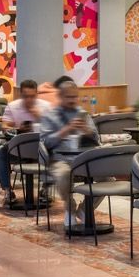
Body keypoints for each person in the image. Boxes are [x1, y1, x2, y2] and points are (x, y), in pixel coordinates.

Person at [40, 81, 101, 227]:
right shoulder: (50, 116)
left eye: (75, 96)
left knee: (108, 178)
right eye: (69, 97)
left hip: (84, 159)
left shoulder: (82, 114)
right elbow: (45, 142)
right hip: (60, 159)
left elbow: (96, 139)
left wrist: (87, 131)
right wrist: (65, 130)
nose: (73, 100)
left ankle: (85, 209)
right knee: (63, 175)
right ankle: (70, 208)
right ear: (60, 97)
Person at [0, 79, 51, 206]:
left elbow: (55, 128)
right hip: (18, 149)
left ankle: (46, 188)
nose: (29, 100)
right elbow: (5, 126)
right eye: (26, 96)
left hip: (41, 150)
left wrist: (40, 117)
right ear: (21, 95)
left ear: (37, 94)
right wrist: (18, 129)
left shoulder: (46, 107)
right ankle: (8, 190)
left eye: (32, 96)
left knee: (57, 151)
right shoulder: (13, 106)